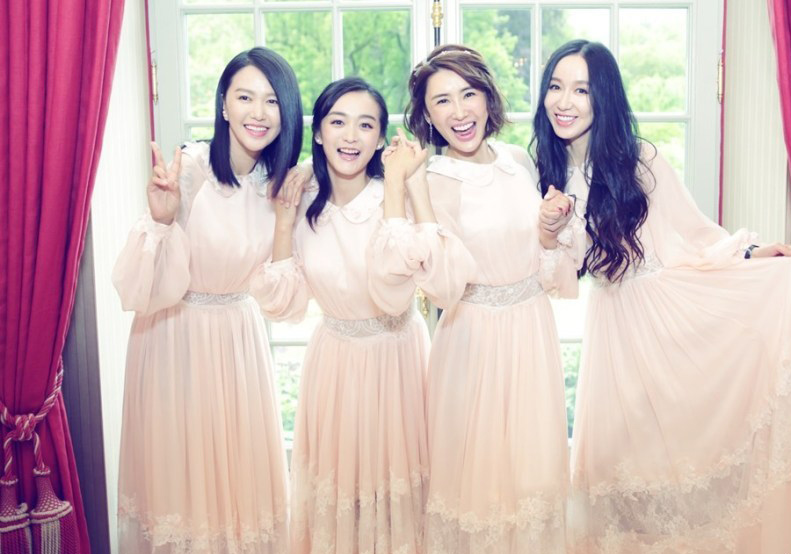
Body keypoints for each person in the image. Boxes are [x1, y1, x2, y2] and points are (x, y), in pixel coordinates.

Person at [534, 39, 791, 553]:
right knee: (616, 479)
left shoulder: (640, 161)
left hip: (663, 322)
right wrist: (549, 231)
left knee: (673, 473)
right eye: (555, 86)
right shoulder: (549, 171)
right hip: (612, 330)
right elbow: (561, 280)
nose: (564, 101)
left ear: (603, 98)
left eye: (581, 90)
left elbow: (694, 235)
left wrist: (748, 254)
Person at [368, 44, 584, 554]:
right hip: (473, 340)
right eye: (441, 101)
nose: (459, 111)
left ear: (488, 98)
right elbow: (442, 286)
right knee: (478, 486)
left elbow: (547, 263)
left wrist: (550, 231)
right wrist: (416, 189)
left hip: (531, 333)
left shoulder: (518, 161)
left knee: (532, 476)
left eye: (468, 94)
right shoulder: (431, 178)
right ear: (426, 115)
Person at [250, 77, 460, 553]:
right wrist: (283, 221)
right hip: (335, 365)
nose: (350, 137)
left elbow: (424, 281)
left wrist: (400, 186)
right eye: (337, 122)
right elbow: (282, 303)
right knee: (342, 493)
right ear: (318, 132)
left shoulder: (394, 197)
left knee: (396, 492)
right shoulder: (300, 199)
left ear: (381, 138)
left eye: (365, 125)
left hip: (397, 359)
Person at [113, 47, 302, 553]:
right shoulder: (191, 169)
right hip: (175, 339)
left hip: (238, 344)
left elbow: (281, 295)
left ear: (287, 111)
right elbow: (139, 289)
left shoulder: (279, 183)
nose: (258, 113)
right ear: (223, 105)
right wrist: (162, 220)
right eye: (245, 97)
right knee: (182, 489)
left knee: (240, 494)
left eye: (271, 101)